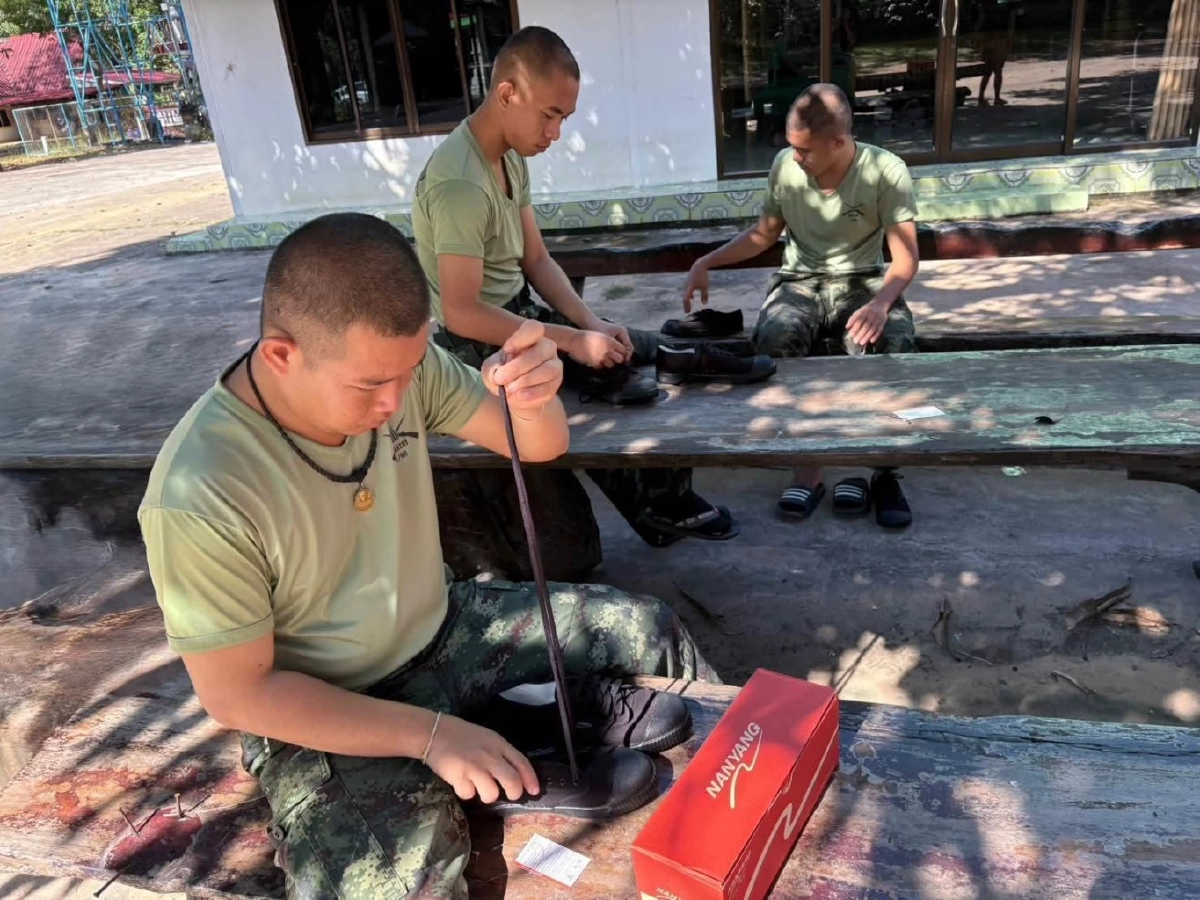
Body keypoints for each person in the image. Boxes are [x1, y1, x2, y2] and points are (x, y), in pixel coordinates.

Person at [137, 212, 717, 898]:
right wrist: (431, 734)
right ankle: (507, 720)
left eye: (408, 373)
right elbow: (239, 695)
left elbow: (540, 445)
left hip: (445, 628)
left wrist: (531, 396)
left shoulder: (398, 371)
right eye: (369, 387)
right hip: (325, 706)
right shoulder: (201, 490)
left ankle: (719, 818)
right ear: (280, 356)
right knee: (394, 882)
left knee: (647, 629)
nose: (395, 402)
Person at [412, 25, 758, 554]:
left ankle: (663, 502)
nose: (556, 133)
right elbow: (461, 313)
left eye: (564, 119)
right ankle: (653, 504)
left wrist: (591, 324)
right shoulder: (459, 183)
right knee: (602, 391)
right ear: (508, 93)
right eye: (550, 115)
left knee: (626, 352)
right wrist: (570, 341)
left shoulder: (508, 157)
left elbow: (535, 258)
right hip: (476, 346)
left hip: (518, 317)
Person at [681, 84, 920, 529]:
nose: (796, 158)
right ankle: (807, 464)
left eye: (805, 151)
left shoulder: (885, 171)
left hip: (862, 280)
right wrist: (706, 260)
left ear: (839, 140)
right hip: (801, 281)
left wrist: (882, 304)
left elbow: (905, 259)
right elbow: (764, 233)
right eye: (791, 147)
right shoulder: (785, 169)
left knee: (892, 342)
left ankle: (880, 470)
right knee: (775, 338)